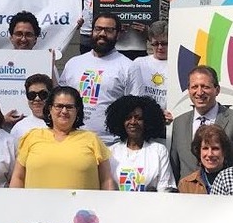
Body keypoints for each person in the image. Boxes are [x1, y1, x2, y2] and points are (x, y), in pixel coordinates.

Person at [11, 86, 115, 190]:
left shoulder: (92, 139)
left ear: (77, 111)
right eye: (59, 106)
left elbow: (106, 180)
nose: (64, 111)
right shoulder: (31, 137)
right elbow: (18, 177)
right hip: (36, 205)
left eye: (69, 107)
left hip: (81, 205)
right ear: (50, 109)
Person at [59, 13, 133, 145]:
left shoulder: (128, 67)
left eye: (109, 30)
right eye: (98, 29)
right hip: (72, 140)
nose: (102, 34)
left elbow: (133, 108)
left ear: (118, 34)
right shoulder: (73, 63)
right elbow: (60, 99)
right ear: (92, 31)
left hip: (111, 144)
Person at [168, 65, 233, 181]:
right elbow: (175, 167)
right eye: (194, 87)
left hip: (225, 194)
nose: (199, 92)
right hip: (187, 195)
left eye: (205, 87)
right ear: (188, 90)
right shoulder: (179, 122)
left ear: (217, 90)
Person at [105, 95, 173, 192]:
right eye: (128, 118)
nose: (133, 122)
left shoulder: (159, 150)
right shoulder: (111, 152)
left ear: (147, 121)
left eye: (138, 118)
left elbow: (165, 189)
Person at [126, 20, 170, 115]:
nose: (160, 47)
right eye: (155, 44)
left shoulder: (176, 65)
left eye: (164, 43)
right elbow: (132, 93)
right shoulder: (139, 63)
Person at [176, 124, 233, 194]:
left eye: (215, 148)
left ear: (224, 151)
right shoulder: (186, 184)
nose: (210, 154)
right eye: (205, 148)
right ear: (199, 151)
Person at [9, 74, 52, 143]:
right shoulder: (19, 128)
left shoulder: (64, 124)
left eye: (43, 94)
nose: (37, 99)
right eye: (32, 95)